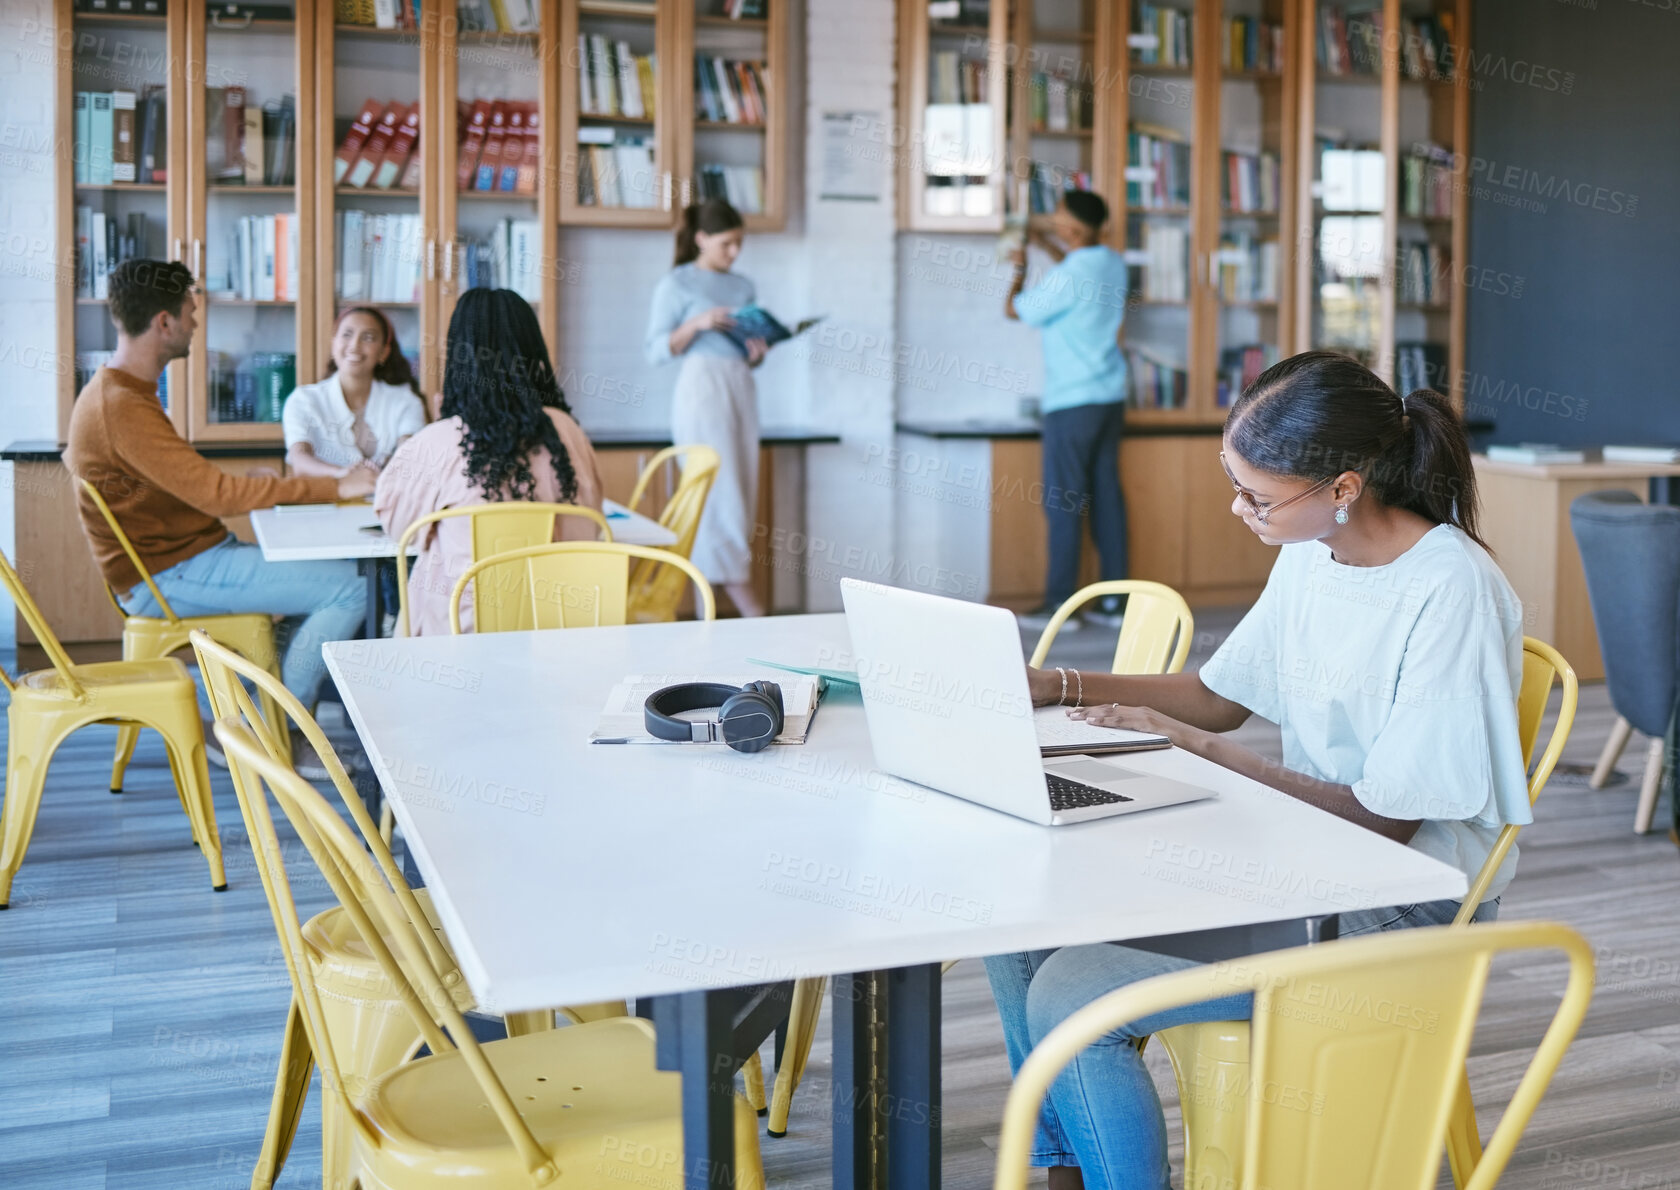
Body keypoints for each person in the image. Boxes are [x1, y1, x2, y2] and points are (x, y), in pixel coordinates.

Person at [985, 352, 1532, 1190]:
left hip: (1402, 897)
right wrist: (1054, 684)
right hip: (1314, 864)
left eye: (1258, 495)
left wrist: (1198, 751)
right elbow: (1218, 694)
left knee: (1074, 992)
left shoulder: (1450, 588)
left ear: (1343, 487)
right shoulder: (1315, 548)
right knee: (1016, 933)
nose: (1240, 509)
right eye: (1234, 482)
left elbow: (1390, 820)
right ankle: (1072, 1170)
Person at [65, 259, 372, 776]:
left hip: (181, 562)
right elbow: (218, 494)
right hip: (169, 575)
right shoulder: (121, 405)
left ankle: (251, 715)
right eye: (190, 312)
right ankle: (277, 730)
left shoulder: (121, 392)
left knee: (319, 587)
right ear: (164, 323)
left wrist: (253, 484)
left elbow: (185, 485)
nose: (196, 323)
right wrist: (338, 486)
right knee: (354, 587)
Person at [375, 288, 604, 636]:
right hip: (560, 624)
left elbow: (399, 529)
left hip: (460, 632)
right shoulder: (567, 430)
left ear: (458, 357)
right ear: (533, 351)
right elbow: (591, 518)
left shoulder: (437, 441)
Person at [1006, 190, 1131, 632]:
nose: (1054, 223)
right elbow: (1076, 263)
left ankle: (1061, 606)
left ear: (1075, 228)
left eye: (1060, 219)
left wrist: (1019, 266)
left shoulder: (1069, 273)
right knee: (1106, 500)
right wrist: (1048, 245)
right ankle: (1115, 604)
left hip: (1070, 403)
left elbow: (1015, 309)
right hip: (1110, 397)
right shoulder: (1111, 262)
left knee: (1064, 503)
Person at [644, 197, 768, 618]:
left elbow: (746, 349)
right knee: (716, 495)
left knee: (741, 492)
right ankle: (743, 599)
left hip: (740, 385)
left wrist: (756, 352)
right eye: (726, 244)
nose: (734, 253)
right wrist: (698, 322)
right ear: (701, 239)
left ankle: (708, 615)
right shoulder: (677, 284)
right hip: (701, 390)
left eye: (739, 244)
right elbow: (657, 349)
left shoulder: (743, 286)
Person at [283, 306, 427, 479]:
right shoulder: (303, 400)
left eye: (368, 338)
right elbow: (300, 461)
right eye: (347, 334)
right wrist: (343, 474)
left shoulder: (405, 400)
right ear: (334, 342)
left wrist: (393, 464)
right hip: (323, 503)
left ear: (383, 352)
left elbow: (410, 455)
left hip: (387, 502)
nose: (355, 346)